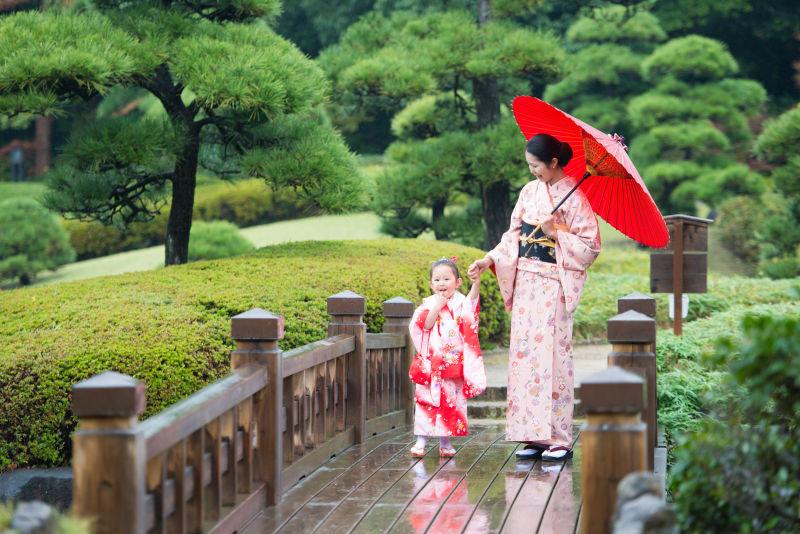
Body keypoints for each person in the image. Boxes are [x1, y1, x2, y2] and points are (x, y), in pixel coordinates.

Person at [468, 133, 600, 462]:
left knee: (553, 359)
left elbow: (591, 248)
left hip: (553, 284)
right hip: (526, 283)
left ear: (554, 162)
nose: (533, 172)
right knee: (525, 358)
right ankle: (532, 434)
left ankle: (558, 437)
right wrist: (489, 259)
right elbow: (513, 236)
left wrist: (557, 233)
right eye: (529, 165)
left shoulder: (575, 198)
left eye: (536, 165)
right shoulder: (529, 192)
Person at [408, 257, 486, 458]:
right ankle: (421, 441)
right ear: (431, 284)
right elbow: (423, 326)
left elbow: (472, 306)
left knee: (450, 402)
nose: (441, 283)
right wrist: (437, 306)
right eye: (437, 280)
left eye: (446, 279)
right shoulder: (428, 304)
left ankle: (445, 442)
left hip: (452, 364)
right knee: (426, 401)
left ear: (458, 282)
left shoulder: (461, 303)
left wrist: (476, 283)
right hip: (432, 364)